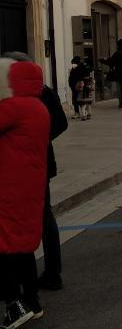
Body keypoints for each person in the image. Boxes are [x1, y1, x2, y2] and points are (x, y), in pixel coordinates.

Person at [3, 52, 68, 292]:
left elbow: (60, 122)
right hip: (38, 164)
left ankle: (46, 274)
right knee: (40, 218)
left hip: (28, 167)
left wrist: (34, 139)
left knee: (36, 219)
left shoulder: (32, 94)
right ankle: (46, 274)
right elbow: (60, 122)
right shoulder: (42, 92)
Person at [0, 58, 51, 329]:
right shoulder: (39, 107)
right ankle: (32, 301)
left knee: (4, 246)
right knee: (22, 246)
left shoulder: (14, 107)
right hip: (31, 184)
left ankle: (14, 305)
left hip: (9, 186)